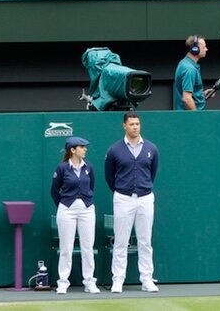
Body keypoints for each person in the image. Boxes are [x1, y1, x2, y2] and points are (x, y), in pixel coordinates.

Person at [105, 112, 160, 293]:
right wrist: (123, 191)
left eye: (137, 124)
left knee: (145, 241)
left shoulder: (151, 148)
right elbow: (109, 176)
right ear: (124, 126)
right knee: (121, 241)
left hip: (145, 198)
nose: (135, 127)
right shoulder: (114, 150)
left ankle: (146, 279)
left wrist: (142, 189)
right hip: (123, 198)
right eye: (131, 124)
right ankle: (118, 280)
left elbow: (152, 173)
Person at [50, 136, 100, 295]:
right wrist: (65, 205)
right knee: (66, 247)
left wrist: (84, 201)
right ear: (73, 150)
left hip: (86, 208)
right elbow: (54, 191)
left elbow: (91, 186)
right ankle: (63, 283)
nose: (85, 149)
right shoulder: (62, 168)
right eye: (82, 147)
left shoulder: (89, 167)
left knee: (87, 247)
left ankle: (89, 282)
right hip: (66, 209)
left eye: (85, 147)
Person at [174, 35, 211, 110]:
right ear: (195, 49)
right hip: (190, 120)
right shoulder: (189, 69)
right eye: (204, 47)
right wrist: (196, 117)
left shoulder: (184, 63)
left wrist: (201, 95)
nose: (206, 49)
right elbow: (186, 99)